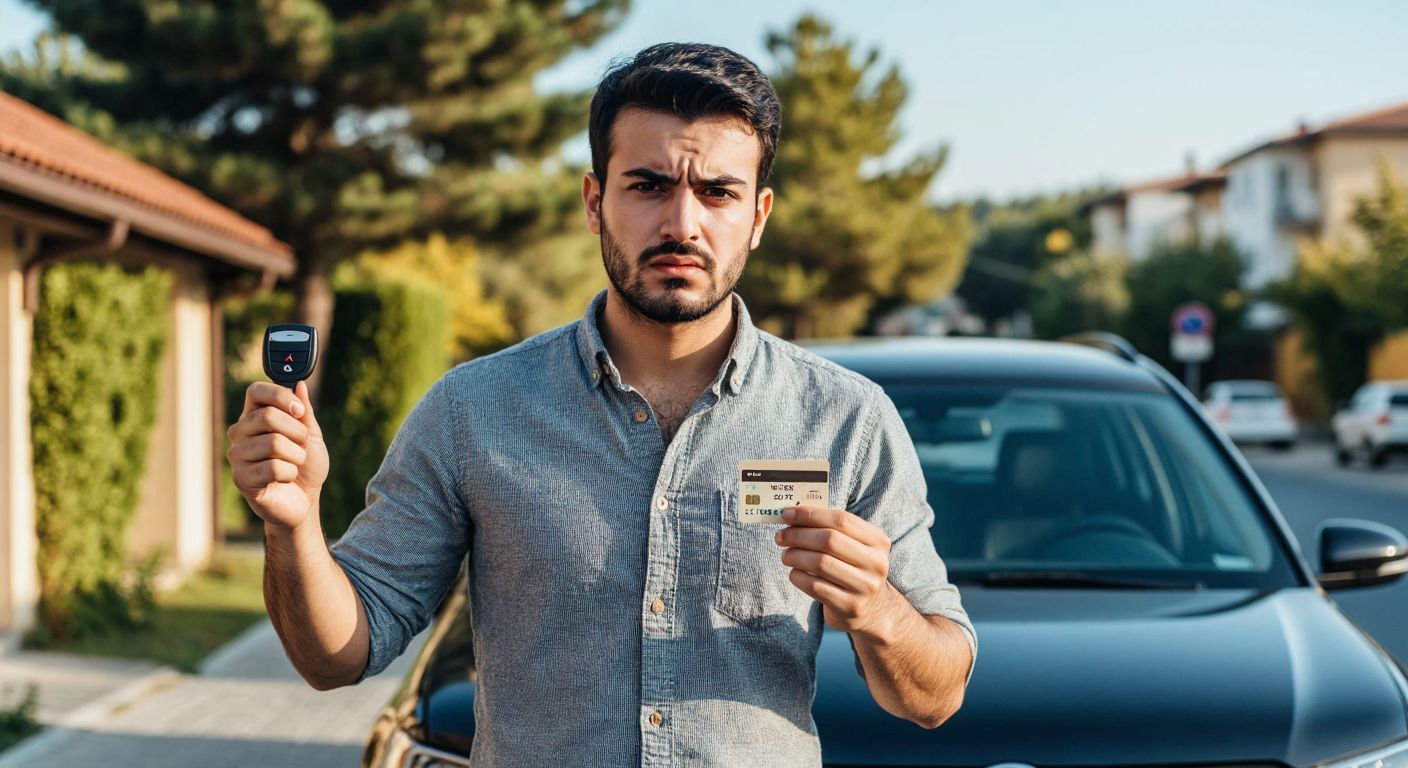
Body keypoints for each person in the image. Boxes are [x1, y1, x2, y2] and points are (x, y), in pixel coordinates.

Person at [226, 42, 974, 768]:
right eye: (648, 185)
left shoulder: (846, 420)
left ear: (759, 215)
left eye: (717, 192)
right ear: (594, 201)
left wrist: (878, 608)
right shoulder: (472, 409)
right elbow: (337, 656)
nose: (682, 224)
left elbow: (936, 696)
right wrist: (292, 525)